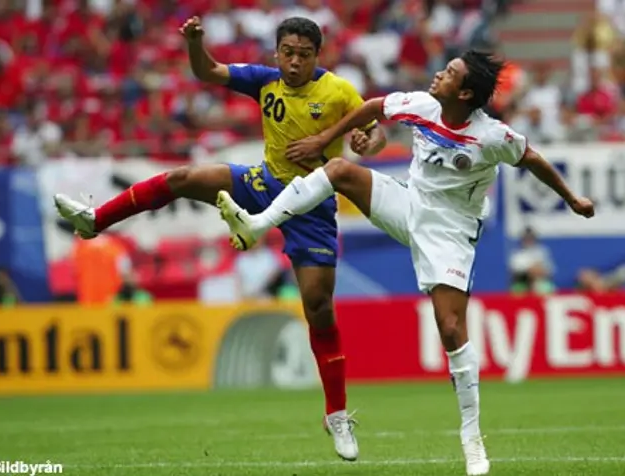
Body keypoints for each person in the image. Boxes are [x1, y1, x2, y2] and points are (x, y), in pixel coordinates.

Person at [215, 50, 596, 476]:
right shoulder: (422, 104)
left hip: (450, 232)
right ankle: (257, 224)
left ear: (465, 92)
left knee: (451, 329)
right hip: (408, 203)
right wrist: (326, 140)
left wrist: (573, 199)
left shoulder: (492, 136)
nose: (439, 73)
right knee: (339, 169)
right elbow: (376, 107)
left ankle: (471, 436)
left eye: (450, 73)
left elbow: (533, 159)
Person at [53, 16, 387, 461]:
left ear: (317, 56)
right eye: (287, 52)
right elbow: (207, 71)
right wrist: (195, 42)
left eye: (304, 55)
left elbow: (376, 128)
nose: (294, 62)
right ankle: (96, 220)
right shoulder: (265, 81)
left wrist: (369, 142)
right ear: (276, 52)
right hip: (262, 181)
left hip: (311, 205)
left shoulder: (339, 92)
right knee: (182, 177)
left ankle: (337, 414)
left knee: (319, 306)